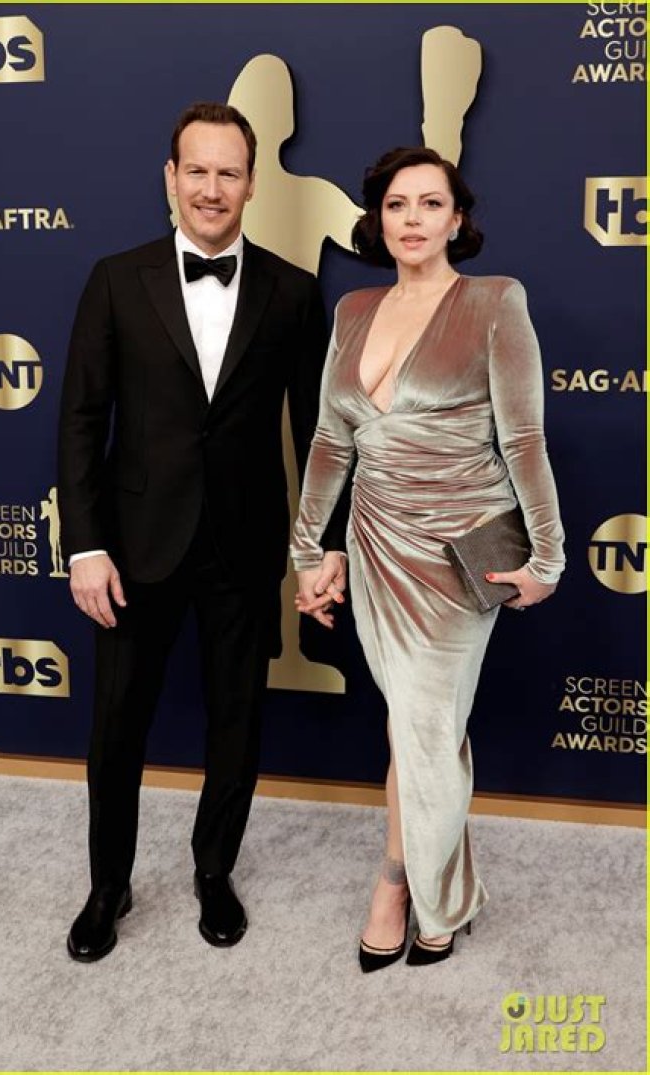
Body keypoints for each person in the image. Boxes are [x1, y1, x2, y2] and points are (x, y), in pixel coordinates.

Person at [58, 102, 347, 962]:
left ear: (252, 184)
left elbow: (321, 433)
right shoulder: (116, 279)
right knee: (117, 725)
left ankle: (213, 869)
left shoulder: (294, 291)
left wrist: (318, 547)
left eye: (229, 172)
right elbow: (81, 419)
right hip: (133, 543)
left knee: (237, 718)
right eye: (197, 170)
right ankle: (107, 884)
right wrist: (85, 544)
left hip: (244, 543)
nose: (212, 188)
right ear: (170, 178)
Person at [291, 147, 564, 971]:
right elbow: (331, 440)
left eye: (430, 203)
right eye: (396, 204)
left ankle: (407, 885)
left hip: (456, 554)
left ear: (457, 218)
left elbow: (523, 438)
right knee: (412, 726)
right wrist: (309, 551)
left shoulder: (494, 301)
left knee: (426, 723)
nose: (412, 219)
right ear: (378, 220)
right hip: (376, 543)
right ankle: (428, 880)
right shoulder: (353, 308)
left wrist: (548, 554)